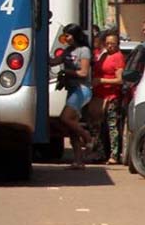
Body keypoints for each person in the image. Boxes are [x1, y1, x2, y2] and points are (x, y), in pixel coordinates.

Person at [50, 24, 94, 169]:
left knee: (65, 118)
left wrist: (66, 73)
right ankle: (78, 161)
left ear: (75, 35)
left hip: (82, 90)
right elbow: (54, 62)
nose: (66, 38)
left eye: (68, 35)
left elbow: (83, 72)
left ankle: (87, 137)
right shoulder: (67, 51)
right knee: (71, 128)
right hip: (72, 89)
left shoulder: (84, 51)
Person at [89, 33, 125, 164]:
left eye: (113, 43)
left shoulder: (118, 57)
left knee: (112, 126)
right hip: (99, 96)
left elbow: (120, 80)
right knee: (97, 126)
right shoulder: (104, 55)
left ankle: (114, 155)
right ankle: (100, 153)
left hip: (111, 96)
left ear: (117, 44)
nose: (110, 46)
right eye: (108, 43)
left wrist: (101, 80)